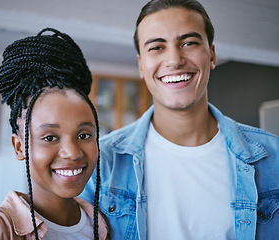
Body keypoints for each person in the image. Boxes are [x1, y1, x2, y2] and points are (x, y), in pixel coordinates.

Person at [80, 0, 279, 239]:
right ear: (141, 65)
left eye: (189, 43)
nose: (174, 60)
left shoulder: (274, 156)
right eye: (156, 47)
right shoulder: (101, 163)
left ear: (212, 55)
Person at [0, 28, 109, 240]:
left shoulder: (102, 225)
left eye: (84, 135)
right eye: (50, 137)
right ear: (19, 147)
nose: (72, 153)